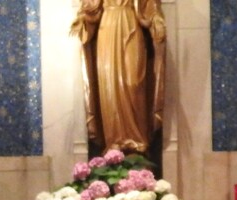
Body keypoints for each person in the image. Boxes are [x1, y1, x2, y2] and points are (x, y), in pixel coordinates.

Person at [70, 0, 166, 155]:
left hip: (132, 24)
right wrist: (83, 17)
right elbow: (91, 6)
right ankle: (114, 141)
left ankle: (138, 139)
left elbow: (151, 6)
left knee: (134, 83)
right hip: (107, 28)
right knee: (110, 86)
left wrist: (156, 19)